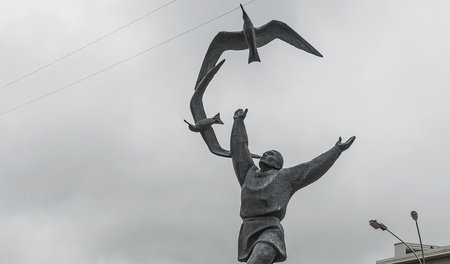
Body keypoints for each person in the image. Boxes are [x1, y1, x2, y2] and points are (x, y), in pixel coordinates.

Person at [231, 108, 355, 264]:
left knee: (259, 259)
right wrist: (238, 122)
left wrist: (337, 150)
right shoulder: (248, 174)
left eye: (271, 154)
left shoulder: (285, 177)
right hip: (248, 229)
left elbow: (312, 167)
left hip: (270, 230)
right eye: (265, 152)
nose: (265, 154)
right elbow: (239, 150)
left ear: (277, 164)